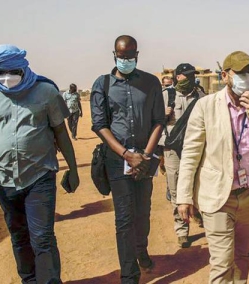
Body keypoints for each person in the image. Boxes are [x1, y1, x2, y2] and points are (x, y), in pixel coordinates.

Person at [0, 44, 79, 284]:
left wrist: (72, 168)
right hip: (4, 180)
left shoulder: (46, 92)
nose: (7, 78)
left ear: (24, 68)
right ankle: (28, 280)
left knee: (42, 237)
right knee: (19, 236)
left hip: (39, 176)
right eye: (0, 72)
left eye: (13, 71)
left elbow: (61, 133)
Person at [176, 51, 249, 284]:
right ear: (225, 76)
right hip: (217, 197)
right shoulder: (206, 106)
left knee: (243, 256)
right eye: (241, 73)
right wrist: (184, 196)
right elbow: (191, 154)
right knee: (222, 263)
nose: (247, 78)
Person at [90, 35, 165, 283]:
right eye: (121, 57)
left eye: (130, 56)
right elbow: (100, 125)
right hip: (117, 159)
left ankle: (141, 250)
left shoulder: (151, 82)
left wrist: (143, 156)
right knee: (124, 217)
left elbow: (158, 121)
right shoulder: (102, 85)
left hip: (146, 158)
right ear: (114, 55)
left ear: (137, 55)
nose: (126, 60)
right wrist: (125, 154)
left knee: (143, 211)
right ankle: (129, 274)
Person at [161, 63, 205, 248]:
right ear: (178, 76)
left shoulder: (201, 96)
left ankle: (198, 214)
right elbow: (154, 124)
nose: (190, 78)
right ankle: (182, 230)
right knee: (176, 189)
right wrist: (163, 115)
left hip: (195, 148)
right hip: (172, 150)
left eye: (192, 75)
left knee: (198, 183)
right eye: (186, 75)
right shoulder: (167, 95)